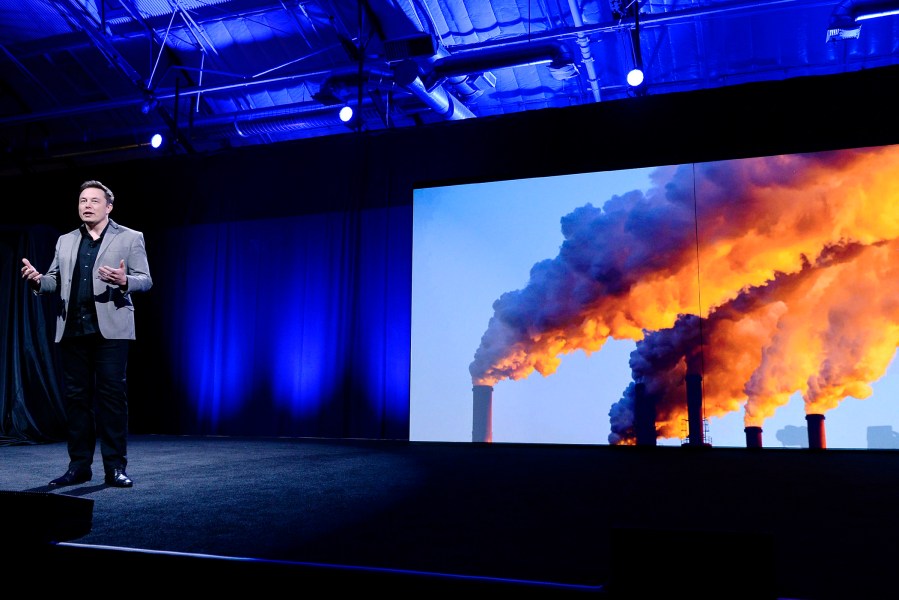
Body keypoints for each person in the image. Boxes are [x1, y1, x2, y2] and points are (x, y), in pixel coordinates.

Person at [21, 180, 152, 488]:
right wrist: (38, 280)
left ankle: (115, 467)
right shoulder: (65, 240)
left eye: (94, 200)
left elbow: (145, 280)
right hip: (73, 330)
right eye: (82, 200)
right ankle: (79, 466)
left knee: (111, 399)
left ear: (109, 207)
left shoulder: (130, 237)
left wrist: (124, 280)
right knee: (77, 400)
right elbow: (54, 280)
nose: (87, 205)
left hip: (111, 332)